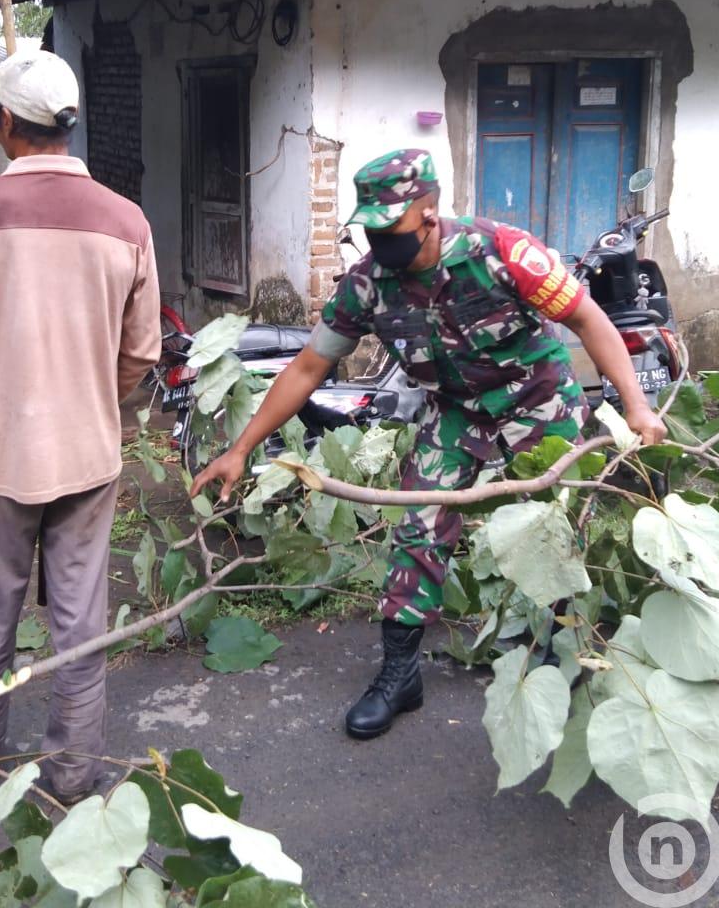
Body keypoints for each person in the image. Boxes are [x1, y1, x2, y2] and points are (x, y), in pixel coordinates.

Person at [191, 148, 668, 739]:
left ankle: (563, 650)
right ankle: (400, 673)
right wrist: (241, 448)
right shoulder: (368, 285)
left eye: (391, 228)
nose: (380, 242)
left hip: (536, 401)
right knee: (418, 524)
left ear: (429, 212)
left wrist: (637, 406)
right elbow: (310, 367)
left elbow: (589, 321)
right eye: (371, 229)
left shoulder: (504, 253)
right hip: (455, 412)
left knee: (555, 529)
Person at [0, 47, 161, 797]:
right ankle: (72, 774)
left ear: (0, 123)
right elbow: (141, 352)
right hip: (88, 451)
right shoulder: (127, 220)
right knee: (80, 627)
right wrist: (94, 392)